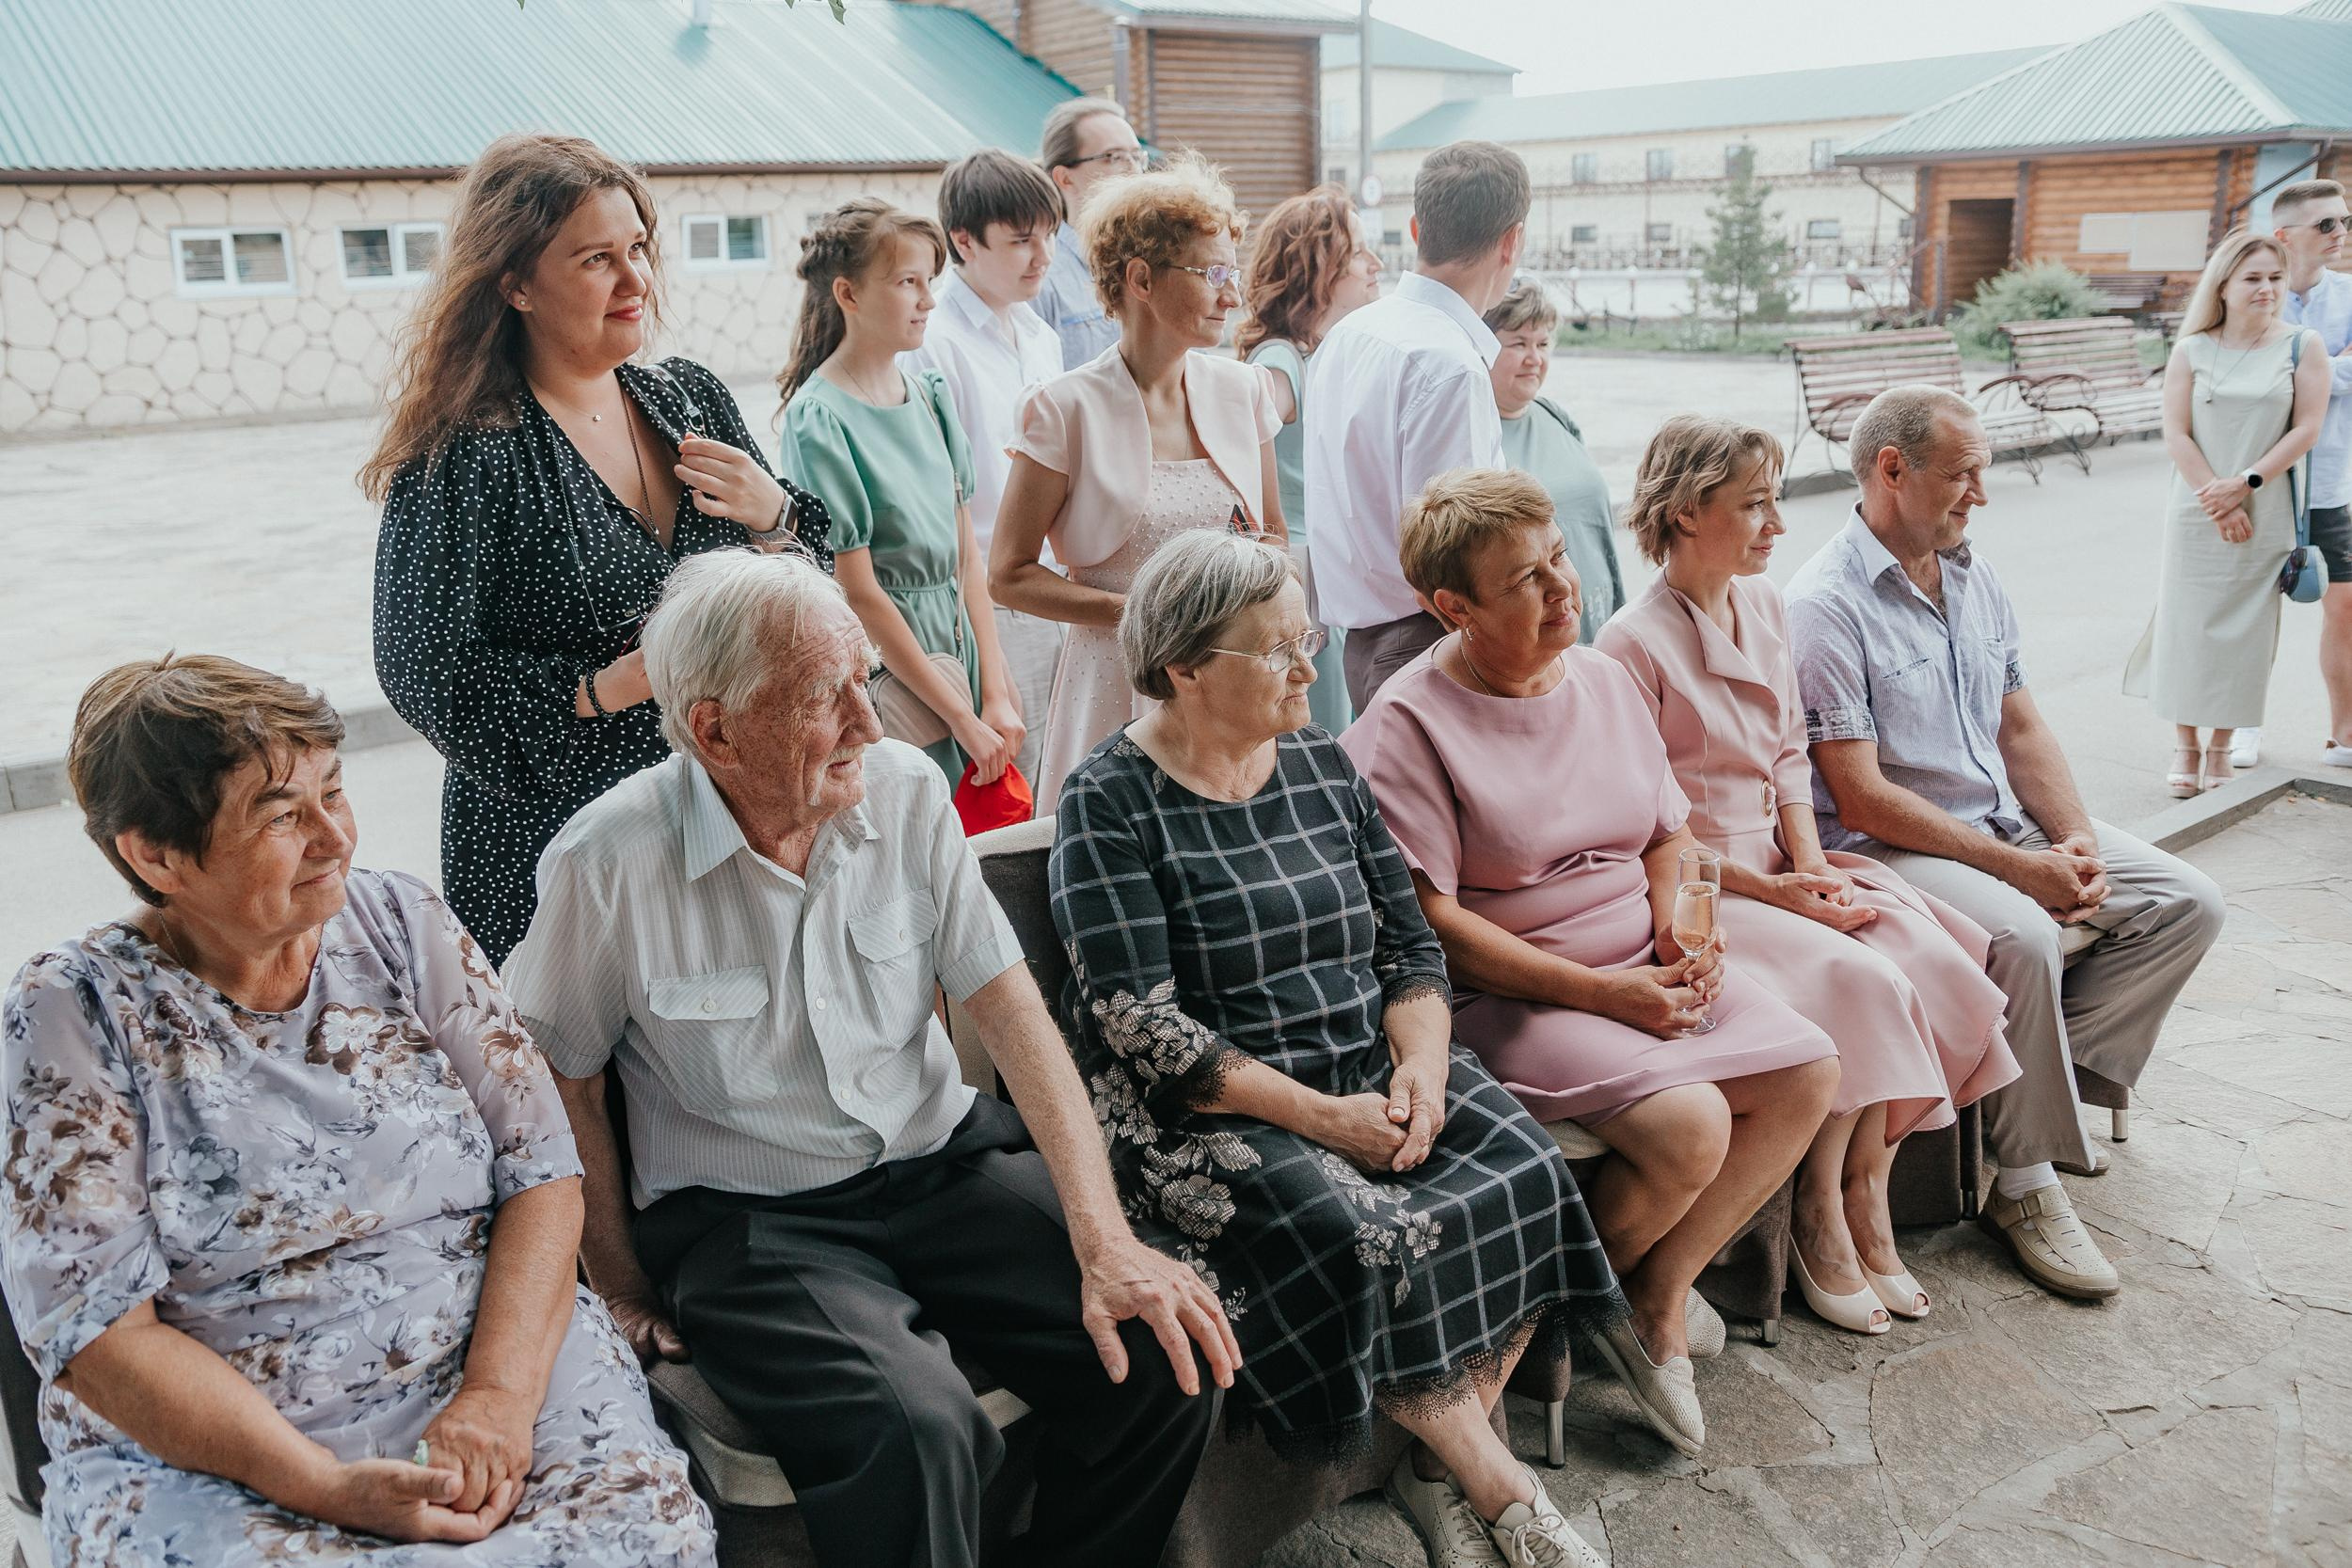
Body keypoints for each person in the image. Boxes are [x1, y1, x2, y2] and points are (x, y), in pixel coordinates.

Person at [504, 550, 1232, 1568]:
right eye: (823, 696)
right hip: (749, 1217)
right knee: (917, 1428)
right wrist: (619, 1281)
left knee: (1166, 1342)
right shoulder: (608, 859)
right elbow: (559, 1077)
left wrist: (1104, 1235)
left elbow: (1012, 1011)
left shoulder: (901, 791)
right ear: (712, 727)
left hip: (940, 1159)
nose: (871, 721)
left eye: (865, 679)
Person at [0, 656, 712, 1566]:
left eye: (335, 790)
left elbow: (542, 1169)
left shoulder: (399, 922)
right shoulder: (73, 1007)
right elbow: (99, 1330)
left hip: (486, 1357)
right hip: (224, 1447)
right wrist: (319, 1483)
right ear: (154, 853)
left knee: (640, 1535)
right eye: (283, 815)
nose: (335, 835)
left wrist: (496, 1397)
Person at [1051, 531, 1620, 1568]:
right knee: (1353, 1229)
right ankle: (1499, 1484)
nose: (1311, 667)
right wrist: (1324, 1119)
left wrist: (1422, 1069)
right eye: (1278, 650)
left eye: (1304, 637)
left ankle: (1436, 1462)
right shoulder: (1110, 800)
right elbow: (1143, 1024)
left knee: (1530, 1171)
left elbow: (1407, 943)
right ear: (1184, 666)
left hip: (1367, 1057)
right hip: (1214, 1104)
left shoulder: (1320, 759)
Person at [1344, 470, 1838, 1456]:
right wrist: (1602, 990)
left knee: (1808, 1070)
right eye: (1525, 579)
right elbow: (1426, 920)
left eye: (1560, 557)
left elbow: (1664, 832)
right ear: (1454, 606)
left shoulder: (1602, 676)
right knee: (1692, 1123)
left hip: (1635, 959)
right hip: (1513, 987)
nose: (1563, 589)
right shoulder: (1407, 722)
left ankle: (1645, 1296)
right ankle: (1556, 1321)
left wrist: (1679, 930)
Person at [1788, 386, 2228, 1302]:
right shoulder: (1824, 604)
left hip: (1999, 819)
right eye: (1964, 475)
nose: (1979, 495)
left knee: (2186, 900)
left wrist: (2070, 841)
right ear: (1891, 470)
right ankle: (2023, 1182)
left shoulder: (1973, 574)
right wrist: (2018, 869)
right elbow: (1858, 791)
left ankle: (2050, 1083)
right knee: (2020, 933)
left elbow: (2020, 727)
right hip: (1892, 841)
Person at [1596, 418, 2020, 1333]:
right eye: (1753, 505)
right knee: (1857, 972)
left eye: (1773, 502)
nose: (1775, 526)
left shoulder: (1762, 605)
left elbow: (1791, 752)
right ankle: (1831, 1209)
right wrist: (1777, 891)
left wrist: (1814, 861)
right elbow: (1647, 830)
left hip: (1787, 859)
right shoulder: (1629, 645)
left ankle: (1866, 1186)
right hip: (1705, 887)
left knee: (1918, 947)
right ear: (1682, 512)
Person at [368, 132, 830, 965]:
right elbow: (422, 670)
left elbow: (809, 605)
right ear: (514, 283)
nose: (636, 282)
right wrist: (601, 687)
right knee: (584, 1081)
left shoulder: (688, 398)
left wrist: (776, 520)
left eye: (640, 249)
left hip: (720, 813)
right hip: (555, 840)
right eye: (596, 260)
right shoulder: (469, 451)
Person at [991, 154, 1286, 806]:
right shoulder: (1063, 407)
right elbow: (1007, 574)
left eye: (1232, 275)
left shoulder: (1245, 392)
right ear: (1140, 279)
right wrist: (1144, 619)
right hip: (1111, 679)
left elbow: (1273, 545)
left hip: (1228, 680)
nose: (1232, 296)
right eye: (1213, 274)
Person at [779, 198, 1023, 790]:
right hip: (891, 678)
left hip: (965, 667)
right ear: (849, 294)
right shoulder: (820, 419)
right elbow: (858, 592)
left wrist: (995, 687)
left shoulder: (932, 396)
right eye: (907, 282)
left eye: (929, 281)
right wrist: (959, 715)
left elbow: (969, 559)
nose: (928, 301)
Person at [1306, 140, 1529, 708]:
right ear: (1512, 241)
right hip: (1430, 642)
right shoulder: (1448, 365)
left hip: (1364, 640)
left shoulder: (1348, 335)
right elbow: (1460, 550)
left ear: (1415, 229)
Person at [2126, 229, 2327, 794]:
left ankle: (2222, 746)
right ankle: (2185, 744)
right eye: (2253, 278)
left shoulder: (2301, 345)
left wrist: (2247, 483)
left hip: (2265, 508)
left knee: (2246, 634)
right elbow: (2176, 431)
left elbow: (2308, 427)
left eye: (2275, 278)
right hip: (2197, 506)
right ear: (2225, 284)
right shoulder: (2193, 348)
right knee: (2186, 628)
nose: (2266, 288)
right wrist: (2216, 498)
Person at [903, 148, 1071, 784]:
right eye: (1022, 239)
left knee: (1068, 770)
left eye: (1050, 235)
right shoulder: (930, 341)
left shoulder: (1040, 336)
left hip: (1053, 585)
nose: (1043, 256)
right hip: (988, 602)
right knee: (1017, 782)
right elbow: (936, 503)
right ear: (963, 240)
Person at [1237, 182, 1386, 732]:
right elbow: (1248, 410)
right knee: (1316, 726)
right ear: (1316, 270)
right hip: (1297, 575)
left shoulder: (1325, 355)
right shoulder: (1281, 360)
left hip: (1324, 569)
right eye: (1357, 254)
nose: (1375, 264)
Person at [1485, 277, 1625, 642]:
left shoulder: (1556, 416)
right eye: (1519, 344)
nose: (1535, 358)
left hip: (1599, 618)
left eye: (1543, 343)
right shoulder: (1476, 435)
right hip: (1541, 633)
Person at [2272, 179, 2352, 768]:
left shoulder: (2350, 295)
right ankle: (2237, 727)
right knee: (2249, 610)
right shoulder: (2255, 291)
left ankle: (2344, 735)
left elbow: (2276, 378)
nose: (2341, 235)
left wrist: (2298, 373)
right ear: (2286, 236)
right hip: (2262, 481)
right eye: (2326, 225)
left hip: (2328, 482)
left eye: (2345, 222)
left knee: (2344, 607)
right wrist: (2330, 366)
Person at [1034, 97, 1144, 369]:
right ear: (1064, 178)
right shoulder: (1041, 278)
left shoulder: (1160, 262)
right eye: (1113, 157)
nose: (1133, 168)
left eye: (1138, 155)